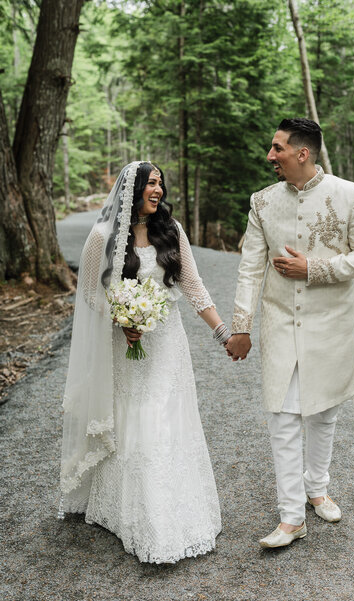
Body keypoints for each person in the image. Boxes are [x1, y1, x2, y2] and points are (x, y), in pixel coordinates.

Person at [59, 161, 229, 563]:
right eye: (151, 182)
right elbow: (88, 293)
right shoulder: (102, 236)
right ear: (132, 189)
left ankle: (172, 508)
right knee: (135, 416)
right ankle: (133, 511)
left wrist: (222, 331)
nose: (159, 189)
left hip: (168, 344)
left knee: (167, 416)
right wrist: (120, 320)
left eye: (160, 183)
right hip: (124, 346)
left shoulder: (172, 231)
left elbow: (192, 284)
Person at [226, 118, 354, 548]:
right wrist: (240, 327)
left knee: (322, 412)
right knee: (281, 414)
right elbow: (249, 267)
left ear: (303, 153)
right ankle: (291, 515)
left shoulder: (352, 196)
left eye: (277, 148)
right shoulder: (261, 202)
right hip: (279, 320)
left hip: (331, 322)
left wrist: (313, 268)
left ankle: (318, 488)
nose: (269, 155)